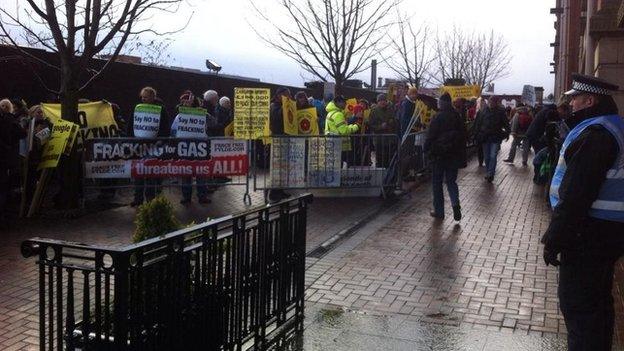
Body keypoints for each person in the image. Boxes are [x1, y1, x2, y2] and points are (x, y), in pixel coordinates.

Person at [541, 73, 624, 351]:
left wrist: (555, 238)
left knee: (579, 307)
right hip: (606, 232)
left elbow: (577, 194)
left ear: (590, 100)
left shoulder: (596, 135)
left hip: (589, 233)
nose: (571, 104)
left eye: (575, 98)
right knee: (598, 304)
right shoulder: (612, 127)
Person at [424, 93, 466, 221]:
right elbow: (464, 135)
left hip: (439, 155)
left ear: (442, 103)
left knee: (437, 183)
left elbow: (431, 135)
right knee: (451, 182)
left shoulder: (438, 117)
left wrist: (426, 149)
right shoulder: (457, 117)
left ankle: (439, 211)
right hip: (453, 155)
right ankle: (455, 205)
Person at [128, 87, 170, 207]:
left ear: (152, 97)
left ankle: (150, 199)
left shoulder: (161, 109)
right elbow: (131, 124)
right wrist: (130, 140)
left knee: (150, 173)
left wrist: (160, 141)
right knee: (138, 173)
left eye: (145, 97)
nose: (143, 99)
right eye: (142, 97)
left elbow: (165, 127)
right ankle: (138, 198)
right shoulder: (137, 108)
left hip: (154, 146)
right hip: (139, 145)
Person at [171, 90, 210, 205]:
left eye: (187, 102)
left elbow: (212, 123)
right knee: (187, 174)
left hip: (196, 148)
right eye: (183, 102)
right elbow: (173, 131)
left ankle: (200, 196)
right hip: (188, 148)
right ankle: (188, 197)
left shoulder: (202, 115)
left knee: (200, 173)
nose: (185, 104)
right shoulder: (179, 116)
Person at [0, 103, 26, 228]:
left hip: (5, 158)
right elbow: (22, 133)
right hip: (5, 159)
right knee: (4, 187)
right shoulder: (9, 120)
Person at [474, 96, 510, 182]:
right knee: (487, 156)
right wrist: (476, 135)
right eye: (491, 101)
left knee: (493, 156)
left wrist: (507, 132)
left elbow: (505, 123)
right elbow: (477, 124)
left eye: (493, 102)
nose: (492, 103)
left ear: (496, 102)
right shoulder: (482, 111)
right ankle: (488, 172)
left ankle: (490, 173)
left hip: (495, 137)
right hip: (485, 137)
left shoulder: (500, 112)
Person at [267, 87, 293, 203]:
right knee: (277, 167)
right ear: (279, 96)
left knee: (283, 167)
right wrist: (285, 106)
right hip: (278, 139)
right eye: (286, 95)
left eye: (289, 95)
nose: (289, 98)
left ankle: (280, 190)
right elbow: (277, 119)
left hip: (284, 139)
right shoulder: (273, 106)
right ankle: (273, 193)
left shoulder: (281, 105)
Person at [325, 95, 360, 166]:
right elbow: (344, 131)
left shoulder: (331, 112)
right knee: (344, 167)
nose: (345, 104)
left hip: (332, 143)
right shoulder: (338, 114)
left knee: (336, 166)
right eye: (343, 102)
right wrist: (357, 126)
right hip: (341, 146)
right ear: (337, 102)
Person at [369, 94, 398, 168]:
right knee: (380, 158)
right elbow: (371, 125)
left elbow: (395, 121)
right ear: (377, 102)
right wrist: (380, 127)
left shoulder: (390, 110)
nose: (382, 102)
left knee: (389, 158)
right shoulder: (374, 111)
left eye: (384, 100)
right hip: (379, 139)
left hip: (390, 139)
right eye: (380, 100)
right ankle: (380, 176)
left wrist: (392, 122)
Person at [470, 97, 488, 166]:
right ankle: (480, 162)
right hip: (480, 134)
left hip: (484, 133)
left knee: (483, 149)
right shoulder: (479, 112)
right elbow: (476, 123)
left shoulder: (485, 111)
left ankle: (483, 161)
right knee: (480, 149)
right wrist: (474, 132)